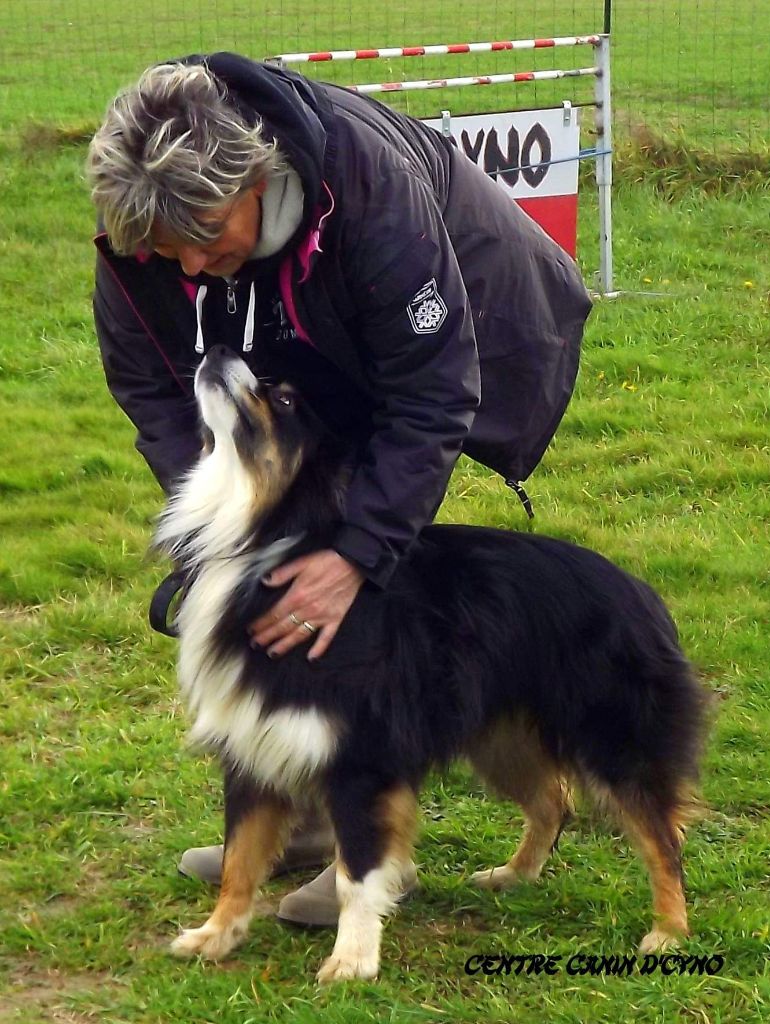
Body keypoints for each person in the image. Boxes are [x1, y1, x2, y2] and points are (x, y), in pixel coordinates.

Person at [87, 52, 592, 927]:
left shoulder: (365, 187)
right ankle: (299, 818)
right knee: (274, 579)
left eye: (208, 235)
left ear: (254, 176)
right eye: (172, 253)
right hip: (299, 337)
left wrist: (358, 551)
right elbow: (151, 387)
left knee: (343, 575)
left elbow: (431, 392)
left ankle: (357, 820)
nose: (197, 264)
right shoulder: (144, 226)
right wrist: (227, 524)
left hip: (450, 326)